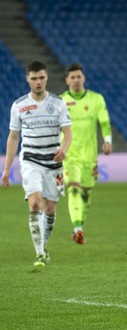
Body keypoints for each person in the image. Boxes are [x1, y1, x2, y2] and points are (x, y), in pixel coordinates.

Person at [1, 60, 72, 267]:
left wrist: (63, 150)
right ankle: (40, 253)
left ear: (46, 77)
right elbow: (13, 137)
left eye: (41, 77)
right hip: (31, 161)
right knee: (34, 202)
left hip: (54, 163)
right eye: (34, 78)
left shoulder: (58, 103)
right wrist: (6, 169)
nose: (38, 82)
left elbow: (67, 133)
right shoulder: (19, 106)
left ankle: (43, 244)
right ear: (27, 79)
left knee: (50, 210)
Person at [60, 63, 112, 245]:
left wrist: (107, 141)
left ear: (84, 78)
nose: (75, 80)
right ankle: (77, 229)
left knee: (86, 193)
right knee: (73, 188)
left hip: (90, 155)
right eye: (72, 77)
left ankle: (80, 223)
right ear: (67, 80)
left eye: (78, 76)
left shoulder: (96, 99)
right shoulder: (60, 101)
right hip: (69, 154)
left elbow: (104, 122)